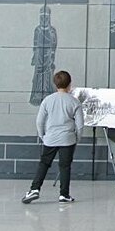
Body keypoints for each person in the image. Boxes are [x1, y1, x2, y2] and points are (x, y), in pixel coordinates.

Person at [21, 70, 84, 204]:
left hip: (50, 138)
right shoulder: (74, 102)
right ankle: (64, 194)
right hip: (68, 139)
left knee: (44, 164)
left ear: (55, 84)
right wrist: (77, 138)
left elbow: (39, 121)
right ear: (69, 85)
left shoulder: (47, 100)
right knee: (65, 166)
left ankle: (34, 189)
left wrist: (42, 135)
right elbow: (80, 125)